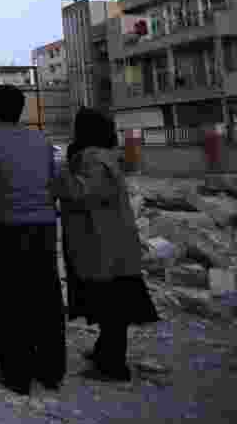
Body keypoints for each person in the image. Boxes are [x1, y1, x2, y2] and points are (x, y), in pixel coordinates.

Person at [52, 107, 159, 382]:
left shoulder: (95, 159)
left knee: (112, 306)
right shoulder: (101, 156)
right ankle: (105, 352)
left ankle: (113, 365)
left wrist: (59, 171)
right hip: (107, 242)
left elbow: (82, 193)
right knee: (111, 304)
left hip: (104, 245)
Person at [0, 84, 65, 395]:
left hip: (6, 229)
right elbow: (54, 184)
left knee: (8, 301)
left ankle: (17, 373)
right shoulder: (41, 139)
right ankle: (51, 371)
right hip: (43, 228)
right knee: (46, 299)